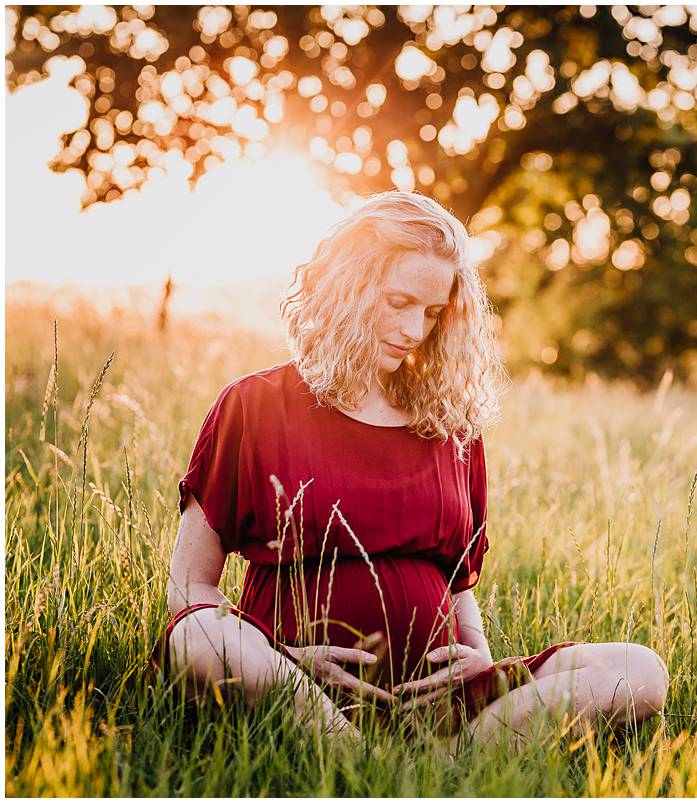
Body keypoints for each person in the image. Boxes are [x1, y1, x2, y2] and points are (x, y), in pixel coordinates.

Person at [145, 190, 669, 751]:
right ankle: (355, 757)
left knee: (640, 672)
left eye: (433, 312)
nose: (416, 330)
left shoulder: (448, 422)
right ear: (347, 287)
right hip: (291, 683)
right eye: (399, 302)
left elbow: (455, 580)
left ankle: (455, 764)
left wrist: (478, 663)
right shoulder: (254, 406)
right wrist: (285, 658)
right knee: (196, 637)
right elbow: (189, 585)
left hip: (436, 698)